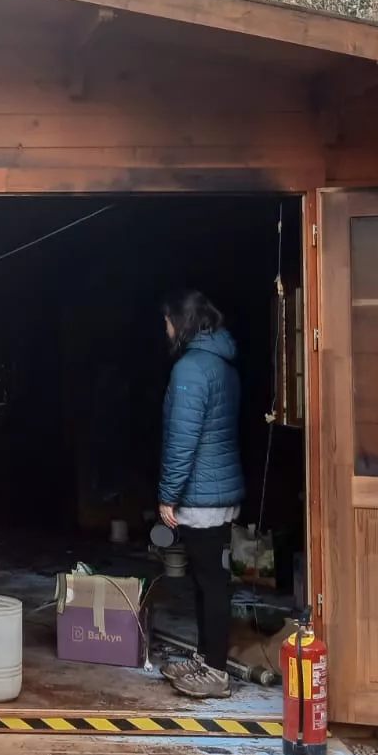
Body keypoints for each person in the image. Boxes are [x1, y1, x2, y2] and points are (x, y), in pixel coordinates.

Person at [154, 290, 243, 700]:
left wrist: (168, 495)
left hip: (201, 496)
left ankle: (216, 672)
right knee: (211, 581)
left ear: (182, 322)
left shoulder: (190, 369)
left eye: (168, 321)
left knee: (210, 582)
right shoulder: (222, 364)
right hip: (221, 491)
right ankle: (207, 659)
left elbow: (182, 440)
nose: (166, 328)